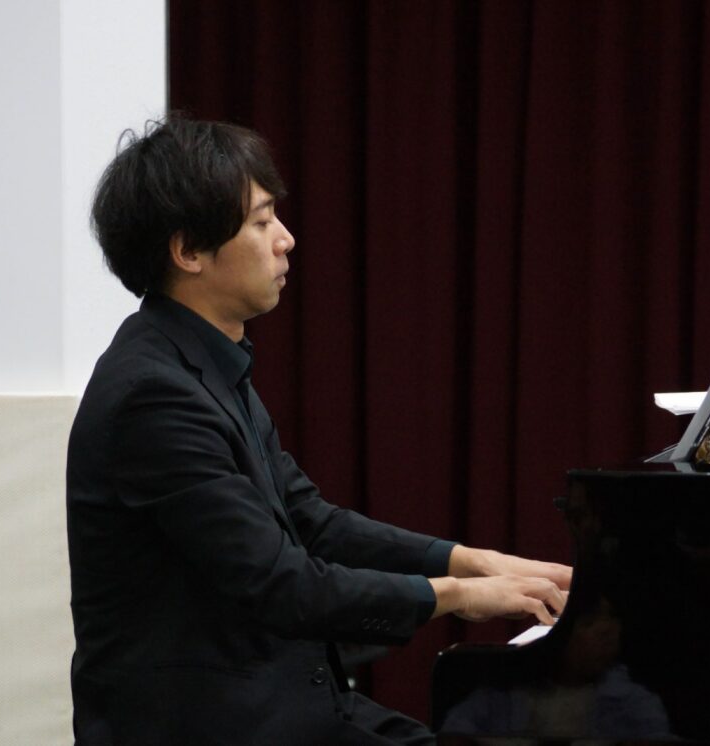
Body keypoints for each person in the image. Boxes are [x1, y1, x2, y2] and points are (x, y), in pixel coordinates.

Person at [66, 116, 571, 745]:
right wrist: (460, 597)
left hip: (279, 707)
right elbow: (283, 584)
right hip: (208, 725)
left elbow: (311, 521)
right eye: (261, 222)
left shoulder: (204, 362)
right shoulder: (154, 396)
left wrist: (471, 561)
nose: (287, 239)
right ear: (188, 251)